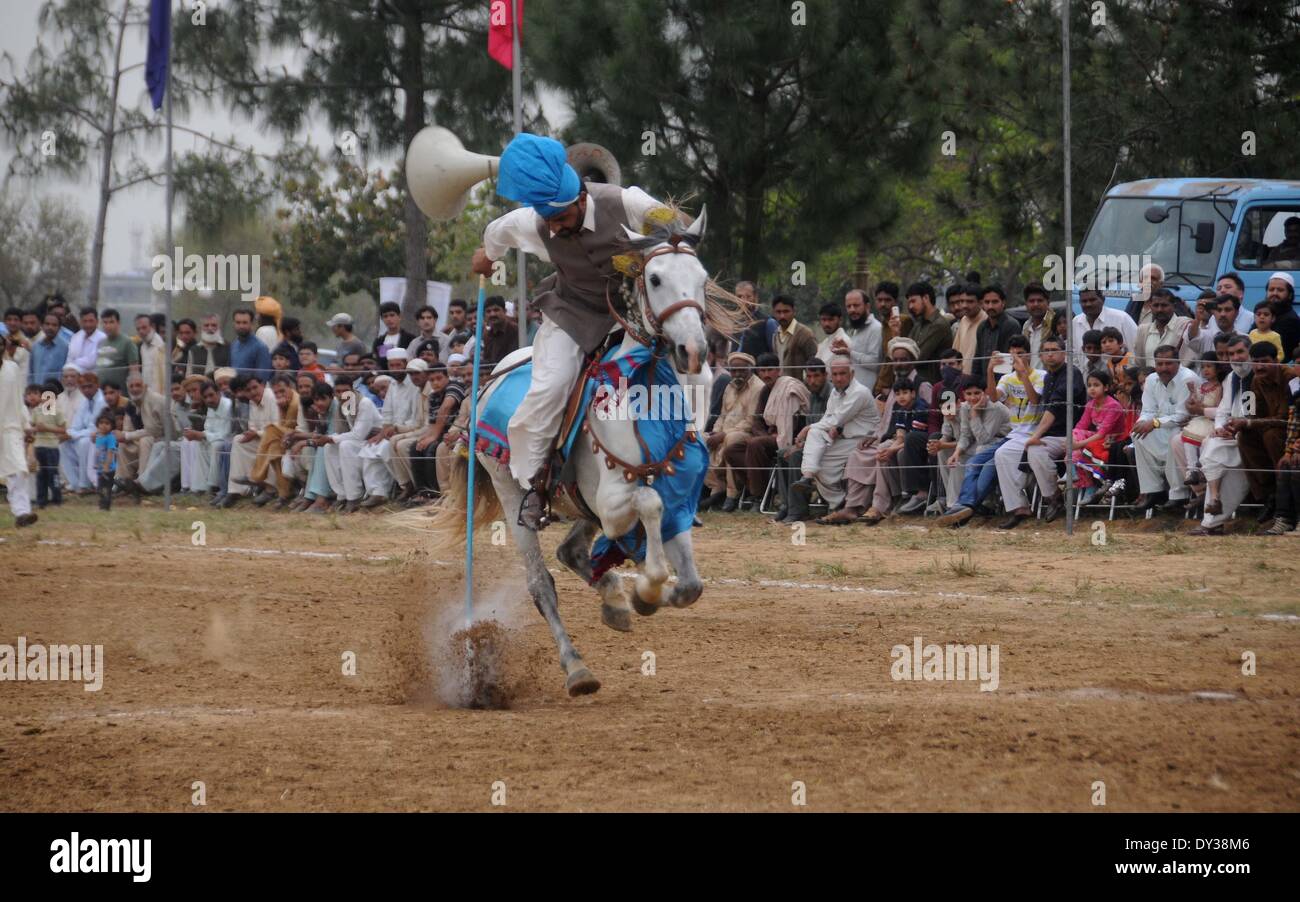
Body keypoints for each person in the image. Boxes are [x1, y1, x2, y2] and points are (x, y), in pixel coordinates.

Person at [469, 132, 672, 530]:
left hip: (631, 314)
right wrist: (486, 258)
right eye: (549, 221)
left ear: (581, 198)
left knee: (679, 371)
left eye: (561, 219)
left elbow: (672, 223)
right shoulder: (535, 221)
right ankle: (534, 486)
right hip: (571, 315)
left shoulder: (626, 201)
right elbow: (496, 232)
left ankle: (681, 474)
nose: (556, 228)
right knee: (548, 389)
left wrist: (659, 246)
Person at [788, 355, 879, 522]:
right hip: (844, 439)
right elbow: (827, 421)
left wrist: (806, 429)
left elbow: (836, 419)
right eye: (835, 374)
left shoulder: (859, 392)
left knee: (815, 445)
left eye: (842, 373)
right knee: (816, 451)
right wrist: (813, 430)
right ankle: (808, 478)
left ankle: (839, 503)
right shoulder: (836, 393)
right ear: (831, 375)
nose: (838, 378)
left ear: (852, 374)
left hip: (864, 440)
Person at [934, 376, 1013, 527]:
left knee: (970, 459)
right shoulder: (964, 408)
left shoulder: (994, 407)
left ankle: (965, 506)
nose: (973, 397)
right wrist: (957, 452)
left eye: (977, 393)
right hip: (982, 446)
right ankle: (955, 506)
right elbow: (965, 435)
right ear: (963, 395)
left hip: (1002, 444)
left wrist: (975, 413)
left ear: (985, 393)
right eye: (969, 394)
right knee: (955, 458)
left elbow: (983, 439)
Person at [1129, 346, 1198, 512]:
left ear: (1178, 362)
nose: (1164, 368)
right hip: (1163, 424)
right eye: (1160, 364)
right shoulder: (1152, 379)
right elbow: (1148, 410)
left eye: (1169, 363)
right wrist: (1143, 422)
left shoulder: (1188, 378)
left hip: (1189, 427)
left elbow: (1183, 416)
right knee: (1137, 434)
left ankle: (1178, 494)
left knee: (1175, 436)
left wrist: (1154, 423)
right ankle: (1153, 490)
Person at [701, 351, 765, 511]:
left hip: (745, 434)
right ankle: (717, 488)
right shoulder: (729, 386)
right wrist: (715, 432)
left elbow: (750, 422)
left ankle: (732, 495)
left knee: (731, 439)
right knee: (698, 439)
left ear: (750, 370)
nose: (737, 374)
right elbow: (722, 416)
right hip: (724, 431)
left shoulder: (758, 387)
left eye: (742, 370)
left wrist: (723, 435)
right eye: (734, 370)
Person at [1070, 371, 1126, 503]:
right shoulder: (1090, 404)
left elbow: (1102, 432)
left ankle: (1072, 470)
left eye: (1096, 385)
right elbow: (1080, 426)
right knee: (1075, 436)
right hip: (1097, 439)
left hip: (1111, 440)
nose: (1092, 388)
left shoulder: (1113, 406)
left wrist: (1078, 443)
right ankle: (1088, 485)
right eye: (1089, 385)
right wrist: (1074, 440)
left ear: (1106, 387)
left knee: (1077, 445)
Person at [0, 335, 36, 526]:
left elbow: (19, 400)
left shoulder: (12, 369)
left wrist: (27, 425)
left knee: (19, 470)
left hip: (10, 428)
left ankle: (22, 512)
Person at [25, 382, 66, 507]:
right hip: (39, 447)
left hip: (52, 447)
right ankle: (41, 500)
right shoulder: (36, 411)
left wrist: (47, 428)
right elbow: (31, 427)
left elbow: (63, 430)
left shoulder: (57, 412)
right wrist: (34, 430)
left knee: (53, 474)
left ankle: (57, 499)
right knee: (40, 474)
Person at [832, 289, 883, 388]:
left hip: (869, 393)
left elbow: (875, 363)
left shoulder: (876, 328)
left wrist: (849, 352)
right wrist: (845, 350)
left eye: (856, 305)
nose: (852, 310)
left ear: (867, 306)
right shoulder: (857, 329)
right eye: (849, 306)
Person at [1021, 282, 1056, 370]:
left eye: (1040, 300)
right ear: (1026, 304)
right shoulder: (1026, 327)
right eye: (1031, 301)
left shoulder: (1056, 323)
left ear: (1048, 302)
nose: (1036, 304)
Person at [229, 309, 272, 380]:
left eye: (244, 323)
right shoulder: (234, 345)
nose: (241, 326)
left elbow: (263, 378)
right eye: (238, 322)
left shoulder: (260, 347)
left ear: (252, 324)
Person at [29, 312, 70, 386]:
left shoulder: (65, 348)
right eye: (47, 324)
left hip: (56, 392)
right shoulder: (36, 347)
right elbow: (31, 372)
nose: (50, 327)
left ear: (59, 327)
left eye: (54, 325)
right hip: (37, 392)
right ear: (42, 326)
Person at [372, 301, 416, 366]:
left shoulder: (410, 339)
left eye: (392, 315)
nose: (389, 319)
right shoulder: (379, 342)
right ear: (382, 319)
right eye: (385, 316)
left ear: (399, 316)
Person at [134, 313, 168, 394]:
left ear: (152, 326)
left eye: (144, 327)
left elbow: (163, 376)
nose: (141, 331)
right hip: (147, 393)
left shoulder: (160, 346)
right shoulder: (143, 347)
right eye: (138, 329)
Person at [66, 307, 106, 374]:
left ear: (97, 321)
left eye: (91, 321)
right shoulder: (76, 337)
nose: (88, 325)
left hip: (93, 380)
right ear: (80, 322)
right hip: (74, 379)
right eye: (85, 321)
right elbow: (69, 358)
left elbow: (91, 362)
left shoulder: (103, 338)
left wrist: (73, 363)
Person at [93, 411, 118, 511]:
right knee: (100, 488)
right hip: (100, 468)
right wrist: (96, 464)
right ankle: (101, 505)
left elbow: (110, 452)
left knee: (106, 488)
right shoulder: (99, 437)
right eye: (101, 423)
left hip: (108, 469)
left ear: (112, 426)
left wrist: (107, 466)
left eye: (107, 423)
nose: (103, 426)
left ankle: (106, 506)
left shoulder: (110, 438)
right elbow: (98, 452)